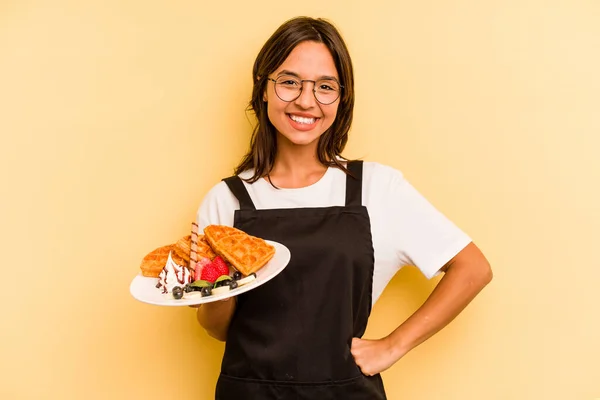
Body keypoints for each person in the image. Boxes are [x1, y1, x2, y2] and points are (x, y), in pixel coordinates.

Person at [192, 16, 493, 400]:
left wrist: (393, 345)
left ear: (341, 97)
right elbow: (217, 328)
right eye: (289, 82)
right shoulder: (226, 200)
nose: (306, 100)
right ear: (263, 89)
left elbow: (473, 268)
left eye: (325, 87)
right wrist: (218, 282)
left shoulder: (376, 188)